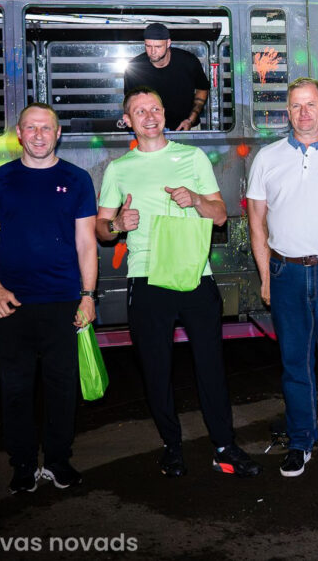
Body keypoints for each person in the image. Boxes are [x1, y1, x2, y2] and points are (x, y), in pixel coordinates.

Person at [96, 87, 261, 478]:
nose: (149, 116)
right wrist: (117, 224)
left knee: (211, 367)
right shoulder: (119, 169)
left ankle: (224, 446)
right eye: (140, 111)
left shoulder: (192, 157)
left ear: (165, 113)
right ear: (128, 121)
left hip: (194, 275)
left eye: (155, 108)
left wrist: (196, 200)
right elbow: (101, 229)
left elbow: (219, 216)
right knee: (156, 370)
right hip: (146, 277)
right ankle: (172, 447)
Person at [0, 103, 97, 494]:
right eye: (31, 128)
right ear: (19, 134)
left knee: (62, 388)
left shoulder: (77, 179)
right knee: (16, 389)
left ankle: (58, 461)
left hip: (63, 300)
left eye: (46, 128)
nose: (39, 135)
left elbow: (86, 243)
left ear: (58, 133)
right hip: (12, 303)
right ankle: (23, 465)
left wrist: (88, 296)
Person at [246, 77, 318, 477]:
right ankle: (300, 441)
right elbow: (256, 222)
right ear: (288, 112)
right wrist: (266, 275)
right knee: (294, 362)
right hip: (286, 272)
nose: (304, 113)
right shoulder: (268, 158)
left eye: (311, 104)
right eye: (296, 106)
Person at [123, 22, 211, 131]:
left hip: (186, 127)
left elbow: (202, 89)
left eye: (158, 46)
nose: (153, 52)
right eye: (148, 46)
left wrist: (190, 119)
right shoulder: (135, 67)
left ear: (168, 43)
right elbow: (130, 103)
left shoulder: (188, 62)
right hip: (150, 129)